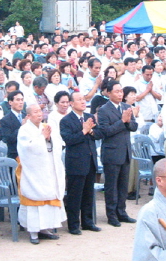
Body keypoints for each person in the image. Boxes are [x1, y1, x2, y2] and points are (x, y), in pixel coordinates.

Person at [17, 104, 66, 244]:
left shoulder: (46, 126)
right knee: (35, 202)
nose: (39, 114)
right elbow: (27, 149)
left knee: (48, 200)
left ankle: (45, 229)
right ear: (29, 116)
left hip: (48, 169)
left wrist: (49, 138)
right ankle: (33, 233)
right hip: (34, 171)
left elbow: (57, 143)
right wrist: (42, 138)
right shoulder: (24, 129)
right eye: (36, 112)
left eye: (40, 111)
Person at [59, 91, 103, 235]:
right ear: (71, 103)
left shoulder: (90, 117)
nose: (83, 102)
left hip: (90, 160)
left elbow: (99, 134)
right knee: (74, 195)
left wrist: (90, 132)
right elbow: (69, 140)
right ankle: (73, 225)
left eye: (84, 99)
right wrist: (84, 131)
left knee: (88, 194)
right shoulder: (66, 120)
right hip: (76, 162)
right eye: (79, 100)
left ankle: (88, 222)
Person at [97, 80, 138, 227]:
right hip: (112, 153)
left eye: (121, 91)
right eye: (117, 91)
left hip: (125, 151)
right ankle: (111, 215)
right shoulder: (103, 110)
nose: (120, 94)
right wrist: (122, 121)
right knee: (111, 186)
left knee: (123, 186)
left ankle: (122, 212)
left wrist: (127, 121)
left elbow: (134, 126)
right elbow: (105, 132)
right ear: (108, 93)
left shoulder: (127, 107)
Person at [0, 90, 26, 159]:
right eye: (18, 100)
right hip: (15, 154)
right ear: (10, 102)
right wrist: (21, 128)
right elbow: (8, 139)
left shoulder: (26, 116)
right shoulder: (5, 120)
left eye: (22, 100)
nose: (21, 102)